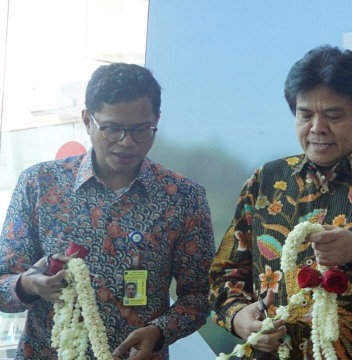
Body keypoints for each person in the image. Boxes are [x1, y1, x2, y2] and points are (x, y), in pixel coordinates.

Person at [209, 45, 352, 359]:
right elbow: (225, 274)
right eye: (305, 115)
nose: (317, 128)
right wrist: (238, 318)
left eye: (333, 115)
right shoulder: (266, 180)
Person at [0, 63, 215, 359]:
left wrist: (160, 331)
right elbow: (3, 283)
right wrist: (29, 285)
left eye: (142, 130)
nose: (127, 143)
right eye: (112, 129)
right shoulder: (40, 184)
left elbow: (201, 295)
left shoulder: (182, 196)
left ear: (157, 120)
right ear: (87, 120)